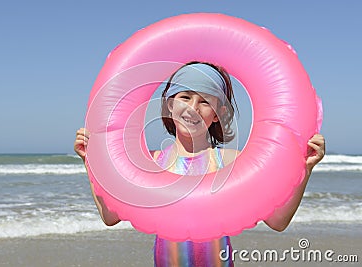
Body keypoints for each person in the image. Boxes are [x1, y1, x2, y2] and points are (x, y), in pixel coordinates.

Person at [74, 62, 325, 266]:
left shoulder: (230, 161)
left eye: (205, 101)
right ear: (171, 105)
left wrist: (306, 168)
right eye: (185, 97)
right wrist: (91, 162)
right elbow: (110, 217)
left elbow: (277, 222)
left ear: (216, 114)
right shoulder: (150, 162)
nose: (193, 108)